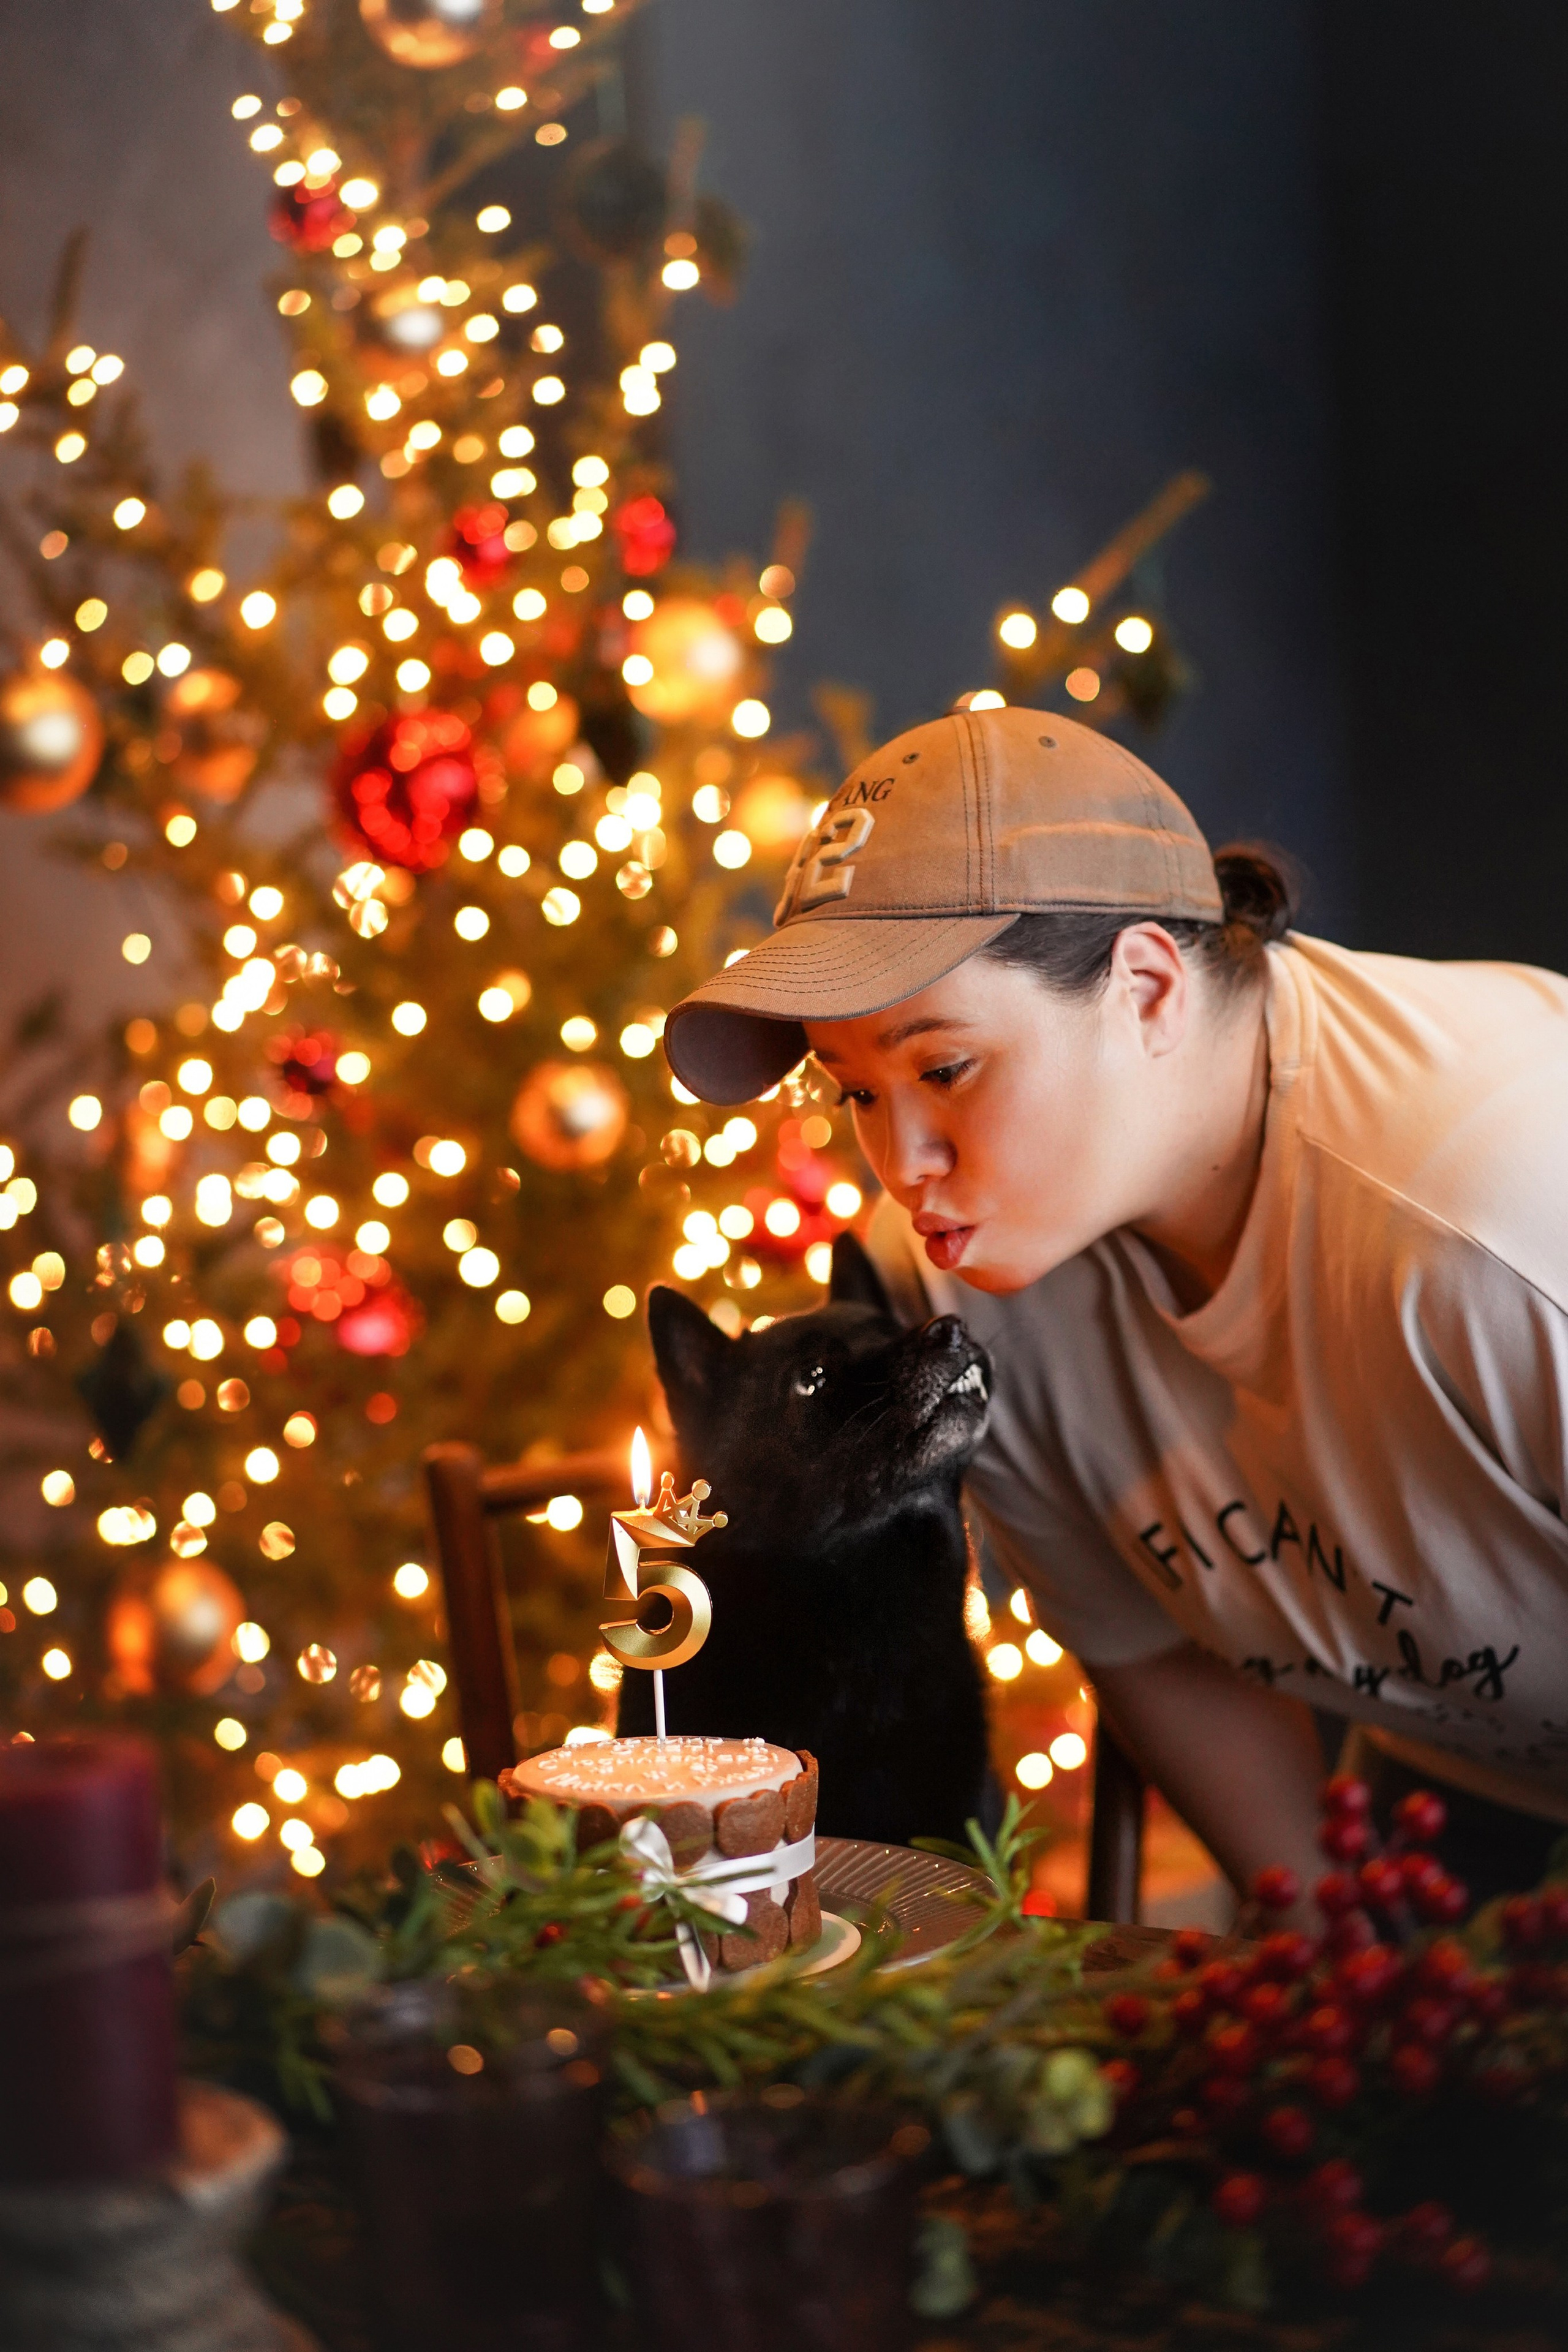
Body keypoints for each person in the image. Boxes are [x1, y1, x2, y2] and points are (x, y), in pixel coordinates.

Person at [663, 704, 1568, 1913]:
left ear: (1146, 987)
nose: (903, 1164)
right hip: (1454, 1797)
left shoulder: (1498, 1220)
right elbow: (1152, 1651)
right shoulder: (955, 1282)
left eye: (943, 1068)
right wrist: (1339, 1963)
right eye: (856, 1095)